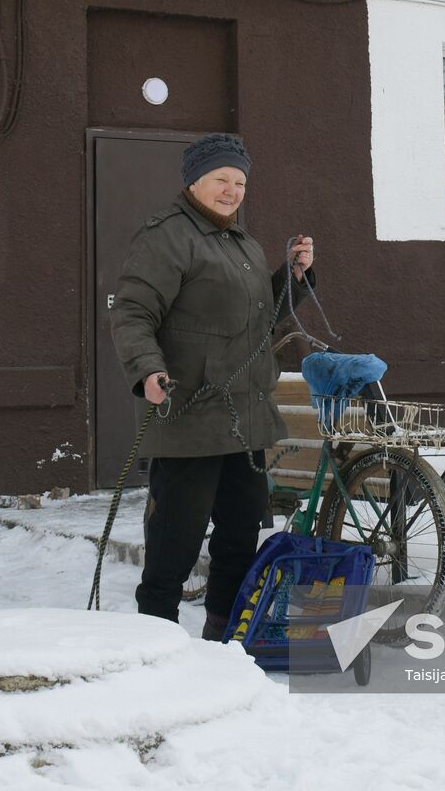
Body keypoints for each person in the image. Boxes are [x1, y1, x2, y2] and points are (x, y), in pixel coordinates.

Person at [110, 133, 315, 640]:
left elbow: (259, 323)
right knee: (174, 540)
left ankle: (222, 635)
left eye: (240, 181)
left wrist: (293, 275)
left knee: (239, 536)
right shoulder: (167, 237)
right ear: (194, 181)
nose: (231, 190)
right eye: (221, 179)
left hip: (244, 417)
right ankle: (155, 640)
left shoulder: (241, 242)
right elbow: (133, 312)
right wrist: (147, 370)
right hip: (190, 413)